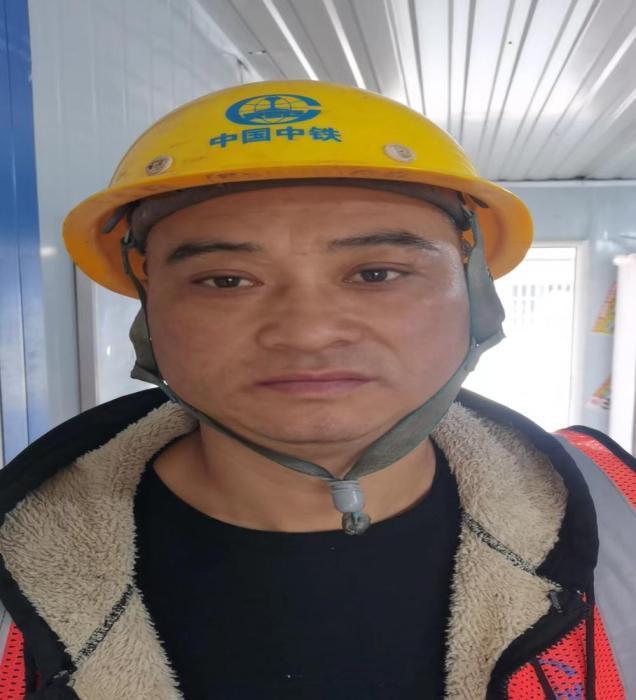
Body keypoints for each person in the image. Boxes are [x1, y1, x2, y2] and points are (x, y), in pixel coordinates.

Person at [0, 81, 633, 700]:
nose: (307, 333)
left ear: (475, 295)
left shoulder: (619, 513)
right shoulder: (17, 567)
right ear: (149, 307)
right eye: (226, 281)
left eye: (376, 273)